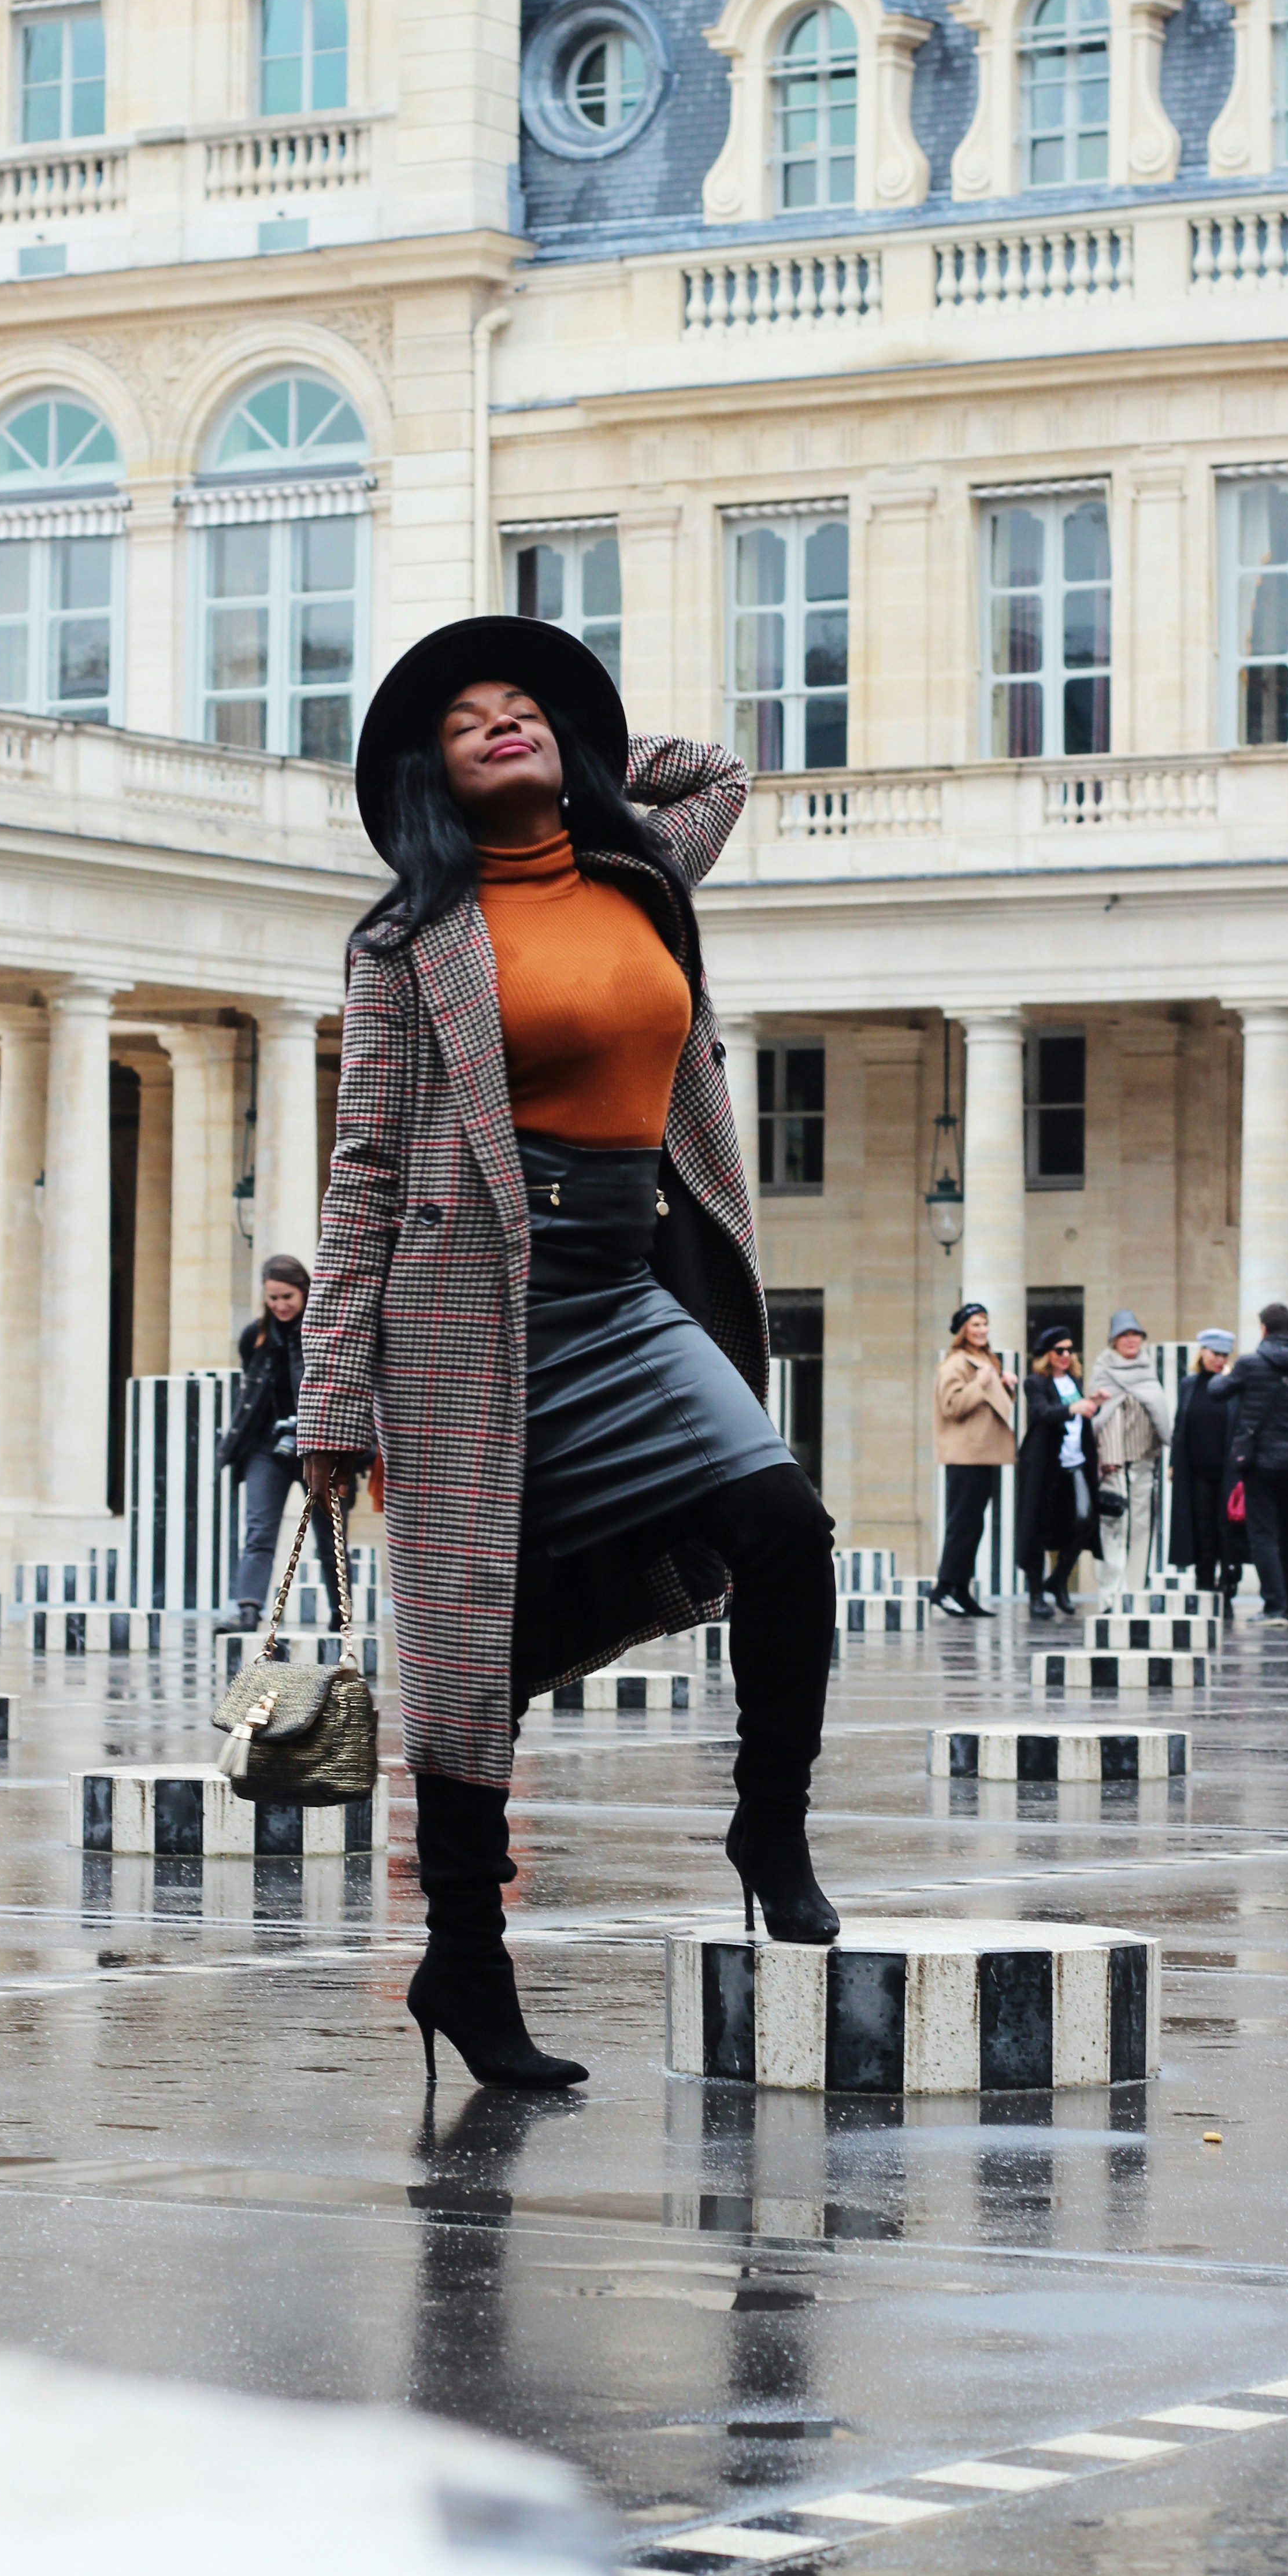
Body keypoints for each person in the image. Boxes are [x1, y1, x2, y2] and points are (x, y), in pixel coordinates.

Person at [295, 615, 838, 2094]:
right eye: (460, 718)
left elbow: (715, 766)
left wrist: (584, 745)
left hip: (622, 1283)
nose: (496, 720)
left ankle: (767, 1819)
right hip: (466, 1302)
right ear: (428, 774)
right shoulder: (409, 945)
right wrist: (333, 1394)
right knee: (474, 1658)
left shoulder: (643, 870)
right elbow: (363, 1170)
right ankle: (464, 1959)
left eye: (517, 703)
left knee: (783, 1522)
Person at [218, 1256, 343, 1629]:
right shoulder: (255, 1337)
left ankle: (342, 1614)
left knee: (330, 1536)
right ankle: (248, 1610)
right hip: (267, 1448)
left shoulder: (323, 1334)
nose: (280, 1305)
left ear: (305, 1291)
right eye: (272, 1298)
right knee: (259, 1529)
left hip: (318, 1448)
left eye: (287, 1296)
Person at [1211, 1302, 1288, 1616]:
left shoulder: (1249, 1366)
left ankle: (1274, 1605)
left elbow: (1218, 1391)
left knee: (1263, 1536)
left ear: (1264, 1330)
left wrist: (1230, 1373)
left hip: (1260, 1464)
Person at [1082, 1309, 1171, 1606]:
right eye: (1125, 1335)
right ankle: (1109, 1596)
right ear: (1114, 1341)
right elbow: (1096, 1419)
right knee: (1111, 1527)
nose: (1131, 1340)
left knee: (1143, 1526)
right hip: (1112, 1464)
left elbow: (1159, 1415)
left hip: (1144, 1460)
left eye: (1136, 1334)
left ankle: (1135, 1593)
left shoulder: (1149, 1371)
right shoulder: (1103, 1372)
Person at [932, 1304, 1016, 1615]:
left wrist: (1004, 1386)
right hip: (966, 1455)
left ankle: (961, 1588)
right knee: (962, 1524)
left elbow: (995, 1408)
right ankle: (943, 1588)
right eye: (975, 1325)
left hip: (984, 1455)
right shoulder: (955, 1364)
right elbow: (952, 1406)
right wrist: (980, 1385)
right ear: (963, 1330)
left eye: (985, 1324)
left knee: (975, 1525)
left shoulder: (985, 1361)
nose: (982, 1330)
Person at [1016, 1327, 1095, 1620]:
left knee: (1085, 1520)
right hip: (1044, 1465)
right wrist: (1074, 1407)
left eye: (1069, 1350)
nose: (1066, 1356)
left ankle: (1059, 1578)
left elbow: (1080, 1416)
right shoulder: (1035, 1382)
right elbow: (1042, 1413)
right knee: (1036, 1527)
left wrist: (1091, 1403)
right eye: (1059, 1350)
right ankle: (1037, 1593)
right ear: (1047, 1354)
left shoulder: (1074, 1381)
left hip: (1075, 1462)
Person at [1168, 1328, 1241, 1609]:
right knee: (1200, 1526)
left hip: (1227, 1470)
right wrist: (1175, 1462)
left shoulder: (1232, 1386)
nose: (1220, 1360)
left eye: (1225, 1355)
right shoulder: (1190, 1384)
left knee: (1226, 1527)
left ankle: (1228, 1578)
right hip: (1195, 1470)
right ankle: (1204, 1580)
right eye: (1215, 1354)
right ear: (1203, 1353)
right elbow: (1180, 1425)